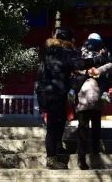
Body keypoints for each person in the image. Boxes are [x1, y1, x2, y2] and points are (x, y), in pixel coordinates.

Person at [35, 27, 88, 169]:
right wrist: (98, 59)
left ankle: (58, 146)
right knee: (53, 125)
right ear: (67, 40)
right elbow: (79, 64)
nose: (73, 42)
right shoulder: (64, 52)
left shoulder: (50, 52)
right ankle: (51, 160)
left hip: (46, 92)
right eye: (72, 40)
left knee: (60, 119)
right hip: (54, 93)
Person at [74, 34, 112, 169]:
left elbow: (74, 67)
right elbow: (111, 65)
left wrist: (86, 72)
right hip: (96, 94)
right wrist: (98, 71)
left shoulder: (80, 52)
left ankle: (81, 158)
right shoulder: (103, 52)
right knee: (95, 127)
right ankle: (95, 152)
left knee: (82, 128)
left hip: (82, 96)